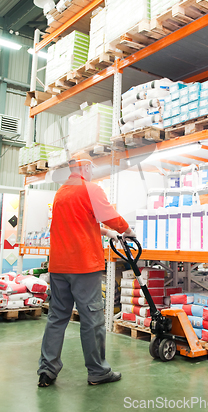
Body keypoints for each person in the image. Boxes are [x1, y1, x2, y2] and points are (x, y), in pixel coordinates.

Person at [37, 158, 135, 387]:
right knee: (92, 319)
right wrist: (127, 231)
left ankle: (47, 370)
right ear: (85, 168)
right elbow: (110, 215)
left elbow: (79, 221)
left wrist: (108, 234)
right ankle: (98, 371)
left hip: (59, 266)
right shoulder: (91, 189)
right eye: (91, 168)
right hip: (83, 265)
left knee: (56, 317)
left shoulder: (61, 192)